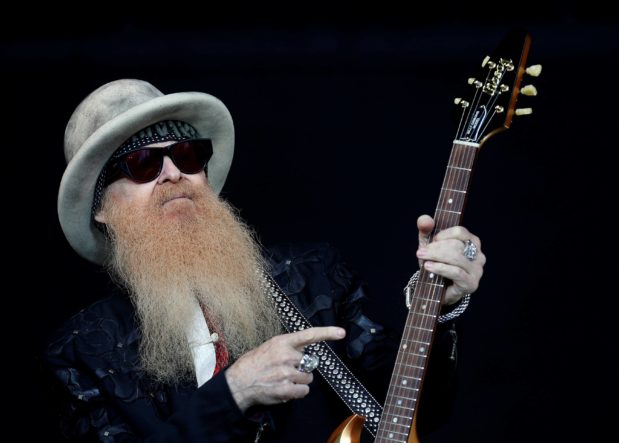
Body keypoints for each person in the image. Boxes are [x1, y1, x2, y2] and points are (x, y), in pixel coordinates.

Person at [43, 79, 486, 442]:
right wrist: (233, 392)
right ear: (102, 208)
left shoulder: (313, 277)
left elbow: (413, 412)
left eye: (186, 155)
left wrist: (440, 309)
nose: (173, 173)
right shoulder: (82, 352)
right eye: (142, 164)